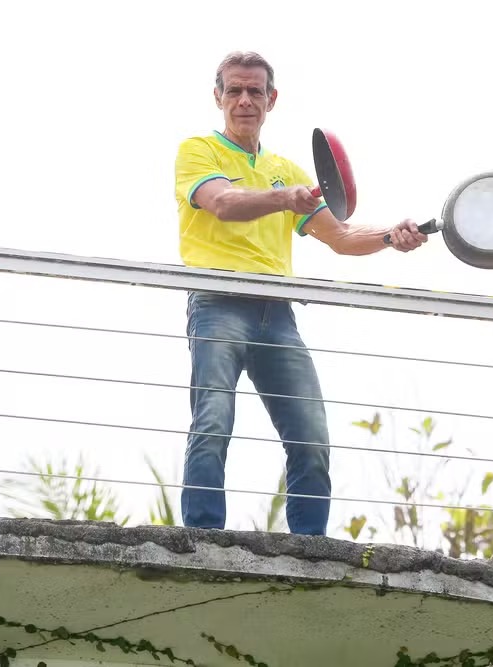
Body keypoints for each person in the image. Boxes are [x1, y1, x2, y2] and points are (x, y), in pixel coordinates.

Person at [174, 50, 427, 536]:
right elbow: (222, 203)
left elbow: (341, 236)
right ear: (218, 97)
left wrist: (390, 236)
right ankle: (201, 539)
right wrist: (283, 198)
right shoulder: (197, 151)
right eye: (234, 90)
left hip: (277, 315)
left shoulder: (287, 171)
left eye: (255, 91)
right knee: (213, 420)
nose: (244, 100)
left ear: (271, 100)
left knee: (311, 436)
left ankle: (311, 547)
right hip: (217, 303)